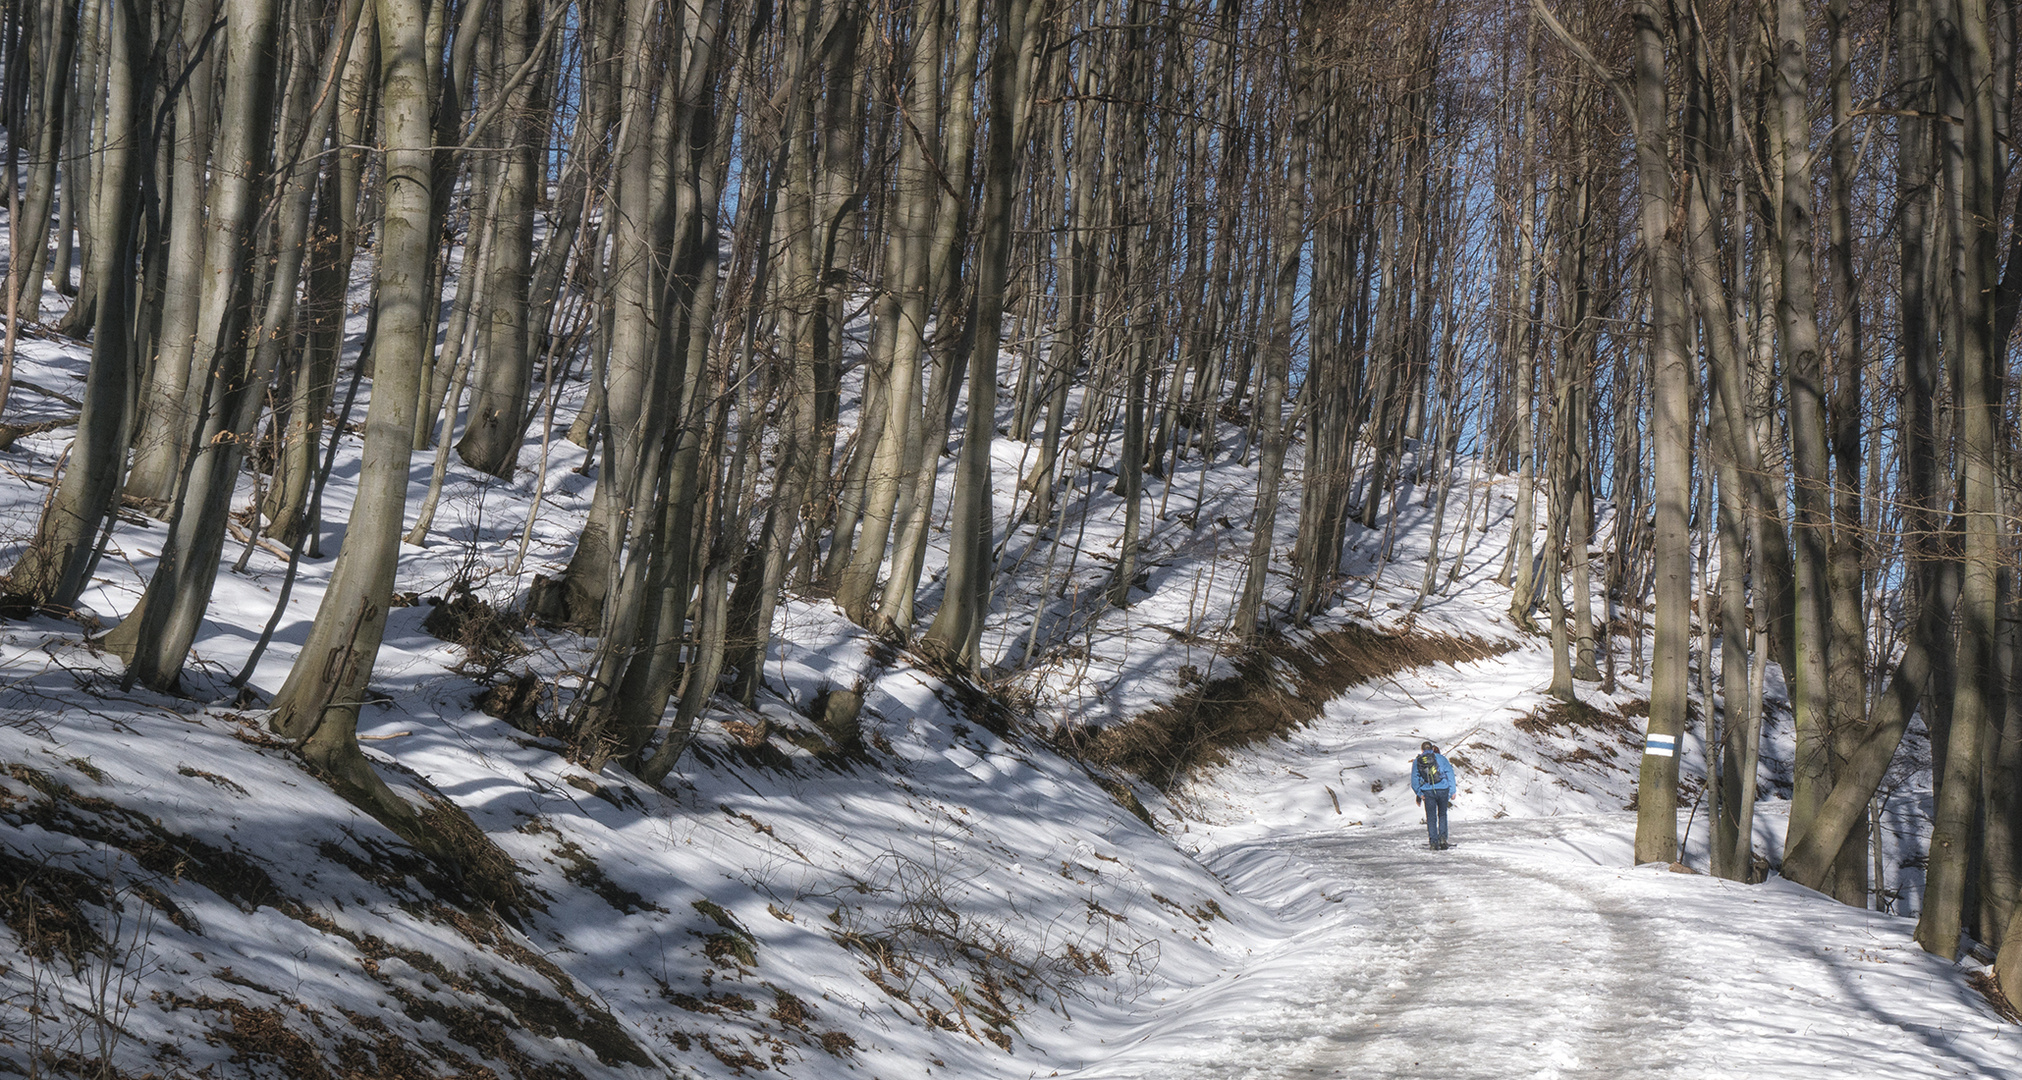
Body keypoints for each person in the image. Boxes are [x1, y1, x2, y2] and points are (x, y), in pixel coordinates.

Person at [1410, 740, 1456, 849]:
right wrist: (1452, 790)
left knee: (1431, 817)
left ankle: (1433, 842)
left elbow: (1414, 780)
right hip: (1443, 789)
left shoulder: (1417, 761)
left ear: (1422, 750)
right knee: (1442, 814)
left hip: (1428, 791)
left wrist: (1419, 793)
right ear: (1432, 748)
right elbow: (1450, 773)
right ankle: (1443, 838)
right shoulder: (1441, 758)